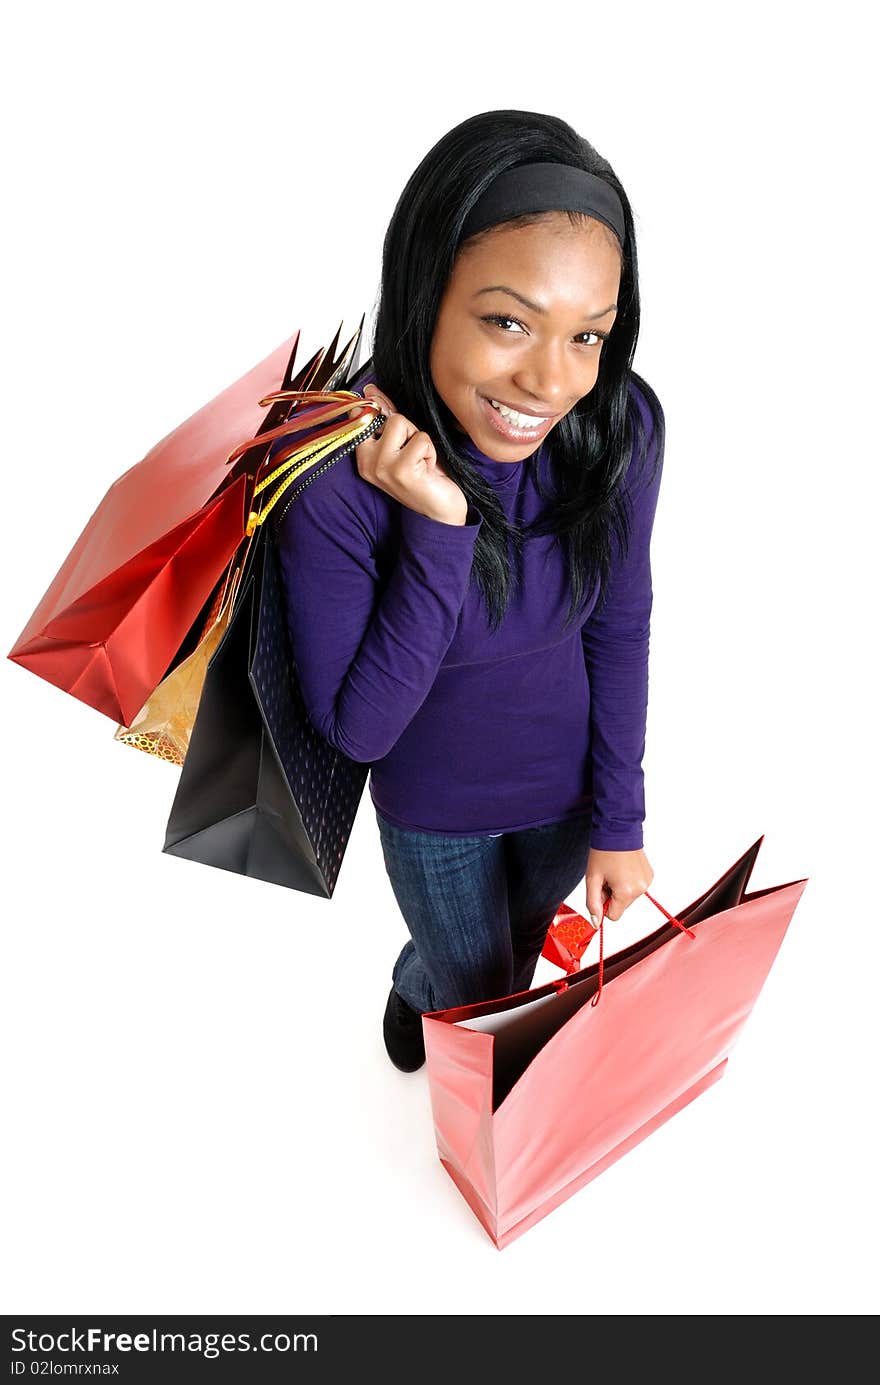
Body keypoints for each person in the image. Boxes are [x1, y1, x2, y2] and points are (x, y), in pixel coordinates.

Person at [274, 109, 665, 1072]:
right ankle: (429, 992)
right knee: (477, 986)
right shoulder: (332, 476)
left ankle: (429, 986)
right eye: (507, 321)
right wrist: (440, 533)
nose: (551, 381)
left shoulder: (620, 427)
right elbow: (360, 732)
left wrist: (620, 823)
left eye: (589, 336)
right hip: (433, 810)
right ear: (425, 288)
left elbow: (620, 624)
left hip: (567, 792)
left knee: (522, 944)